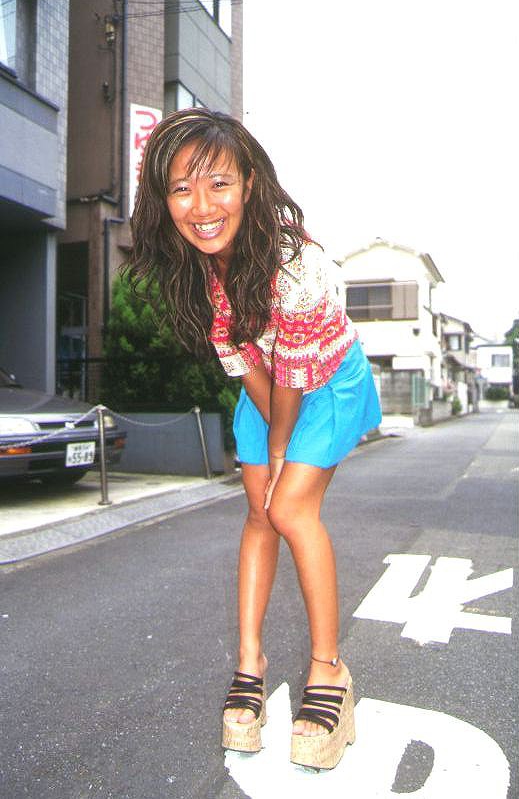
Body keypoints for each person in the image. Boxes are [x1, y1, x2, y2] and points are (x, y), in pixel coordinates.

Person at [127, 108, 382, 770]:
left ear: (249, 183)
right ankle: (250, 662)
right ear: (162, 199)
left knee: (289, 507)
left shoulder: (294, 261)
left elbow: (297, 378)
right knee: (259, 512)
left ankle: (329, 671)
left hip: (326, 380)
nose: (201, 206)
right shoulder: (196, 265)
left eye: (218, 184)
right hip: (266, 383)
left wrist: (277, 451)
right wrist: (269, 443)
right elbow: (245, 362)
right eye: (181, 189)